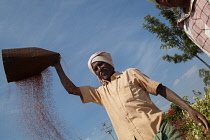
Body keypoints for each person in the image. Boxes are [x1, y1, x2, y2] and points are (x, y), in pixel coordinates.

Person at [53, 52, 209, 140]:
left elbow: (160, 89)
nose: (99, 68)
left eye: (101, 64)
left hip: (162, 133)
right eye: (95, 69)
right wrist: (57, 66)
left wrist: (188, 108)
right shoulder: (100, 93)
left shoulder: (130, 74)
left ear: (110, 63)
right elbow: (71, 89)